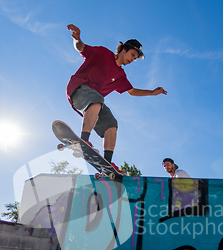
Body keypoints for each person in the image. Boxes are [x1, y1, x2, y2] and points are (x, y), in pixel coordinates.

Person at [66, 24, 167, 173]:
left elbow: (132, 91)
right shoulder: (103, 53)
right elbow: (81, 48)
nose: (132, 60)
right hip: (78, 89)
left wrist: (152, 92)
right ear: (124, 49)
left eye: (135, 59)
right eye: (132, 55)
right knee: (97, 99)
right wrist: (77, 38)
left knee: (111, 124)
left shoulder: (121, 76)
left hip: (93, 103)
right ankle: (83, 141)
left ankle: (107, 163)